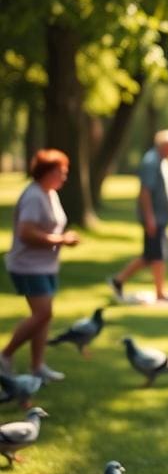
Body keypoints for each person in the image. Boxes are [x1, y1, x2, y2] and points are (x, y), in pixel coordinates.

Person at [1, 149, 80, 381]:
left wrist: (62, 237)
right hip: (28, 265)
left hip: (46, 265)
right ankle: (5, 355)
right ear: (46, 172)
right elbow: (26, 233)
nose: (64, 177)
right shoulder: (34, 196)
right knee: (43, 313)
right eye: (60, 172)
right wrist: (60, 240)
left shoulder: (50, 193)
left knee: (44, 316)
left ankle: (38, 366)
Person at [107, 129, 168, 304]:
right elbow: (145, 192)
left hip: (160, 218)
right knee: (156, 255)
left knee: (152, 255)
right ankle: (158, 293)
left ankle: (119, 281)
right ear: (162, 145)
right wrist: (150, 218)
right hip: (154, 219)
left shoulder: (162, 160)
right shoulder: (151, 161)